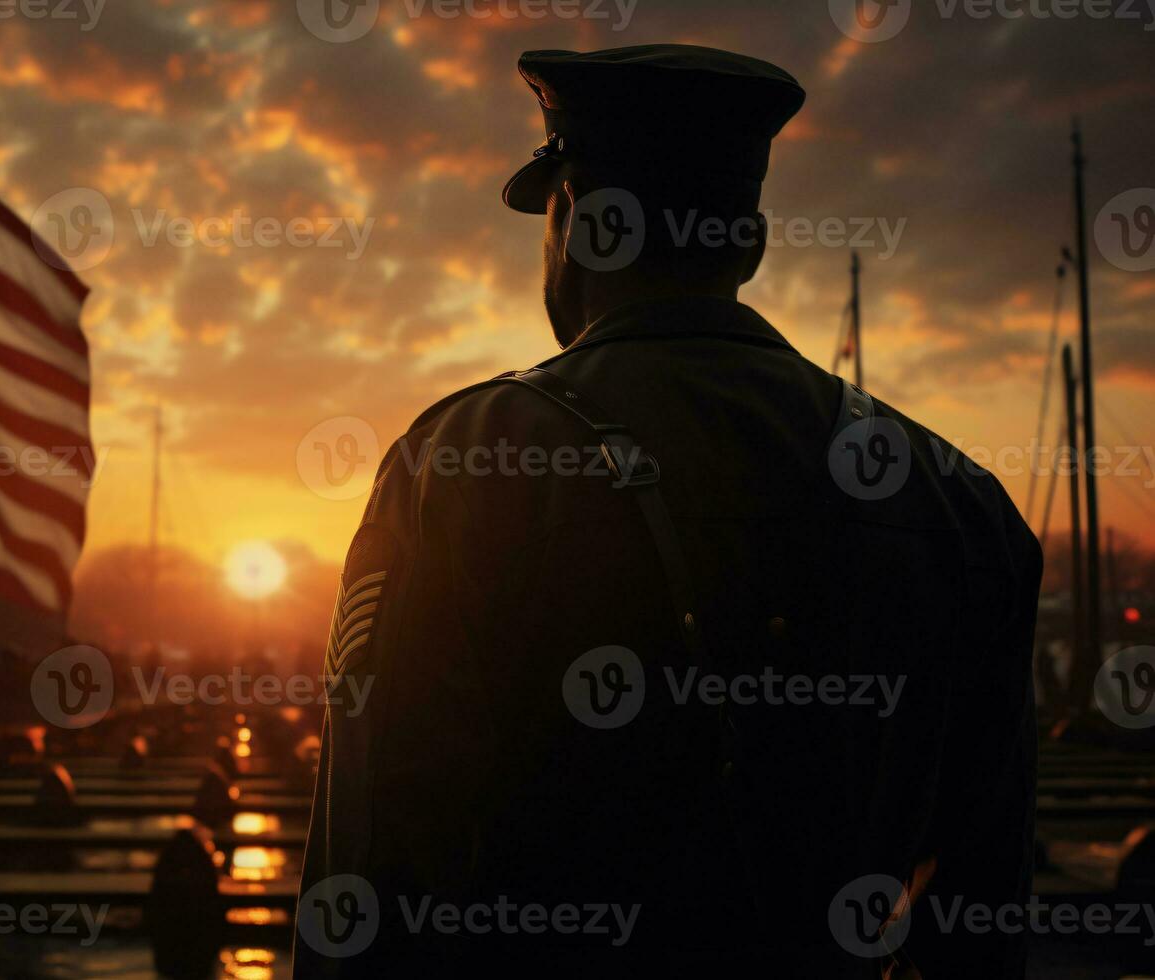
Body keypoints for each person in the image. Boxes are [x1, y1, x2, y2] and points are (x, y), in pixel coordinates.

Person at [295, 45, 1041, 978]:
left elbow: (369, 868)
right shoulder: (958, 498)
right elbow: (983, 906)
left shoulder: (461, 459)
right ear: (752, 243)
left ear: (573, 221)